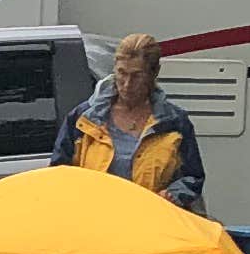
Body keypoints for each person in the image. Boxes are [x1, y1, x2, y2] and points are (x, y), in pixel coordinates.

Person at [65, 32, 208, 209]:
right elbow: (59, 173)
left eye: (137, 76)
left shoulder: (175, 122)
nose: (127, 84)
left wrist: (172, 195)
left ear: (154, 73)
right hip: (94, 216)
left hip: (151, 217)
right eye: (122, 73)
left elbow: (193, 177)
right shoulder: (84, 118)